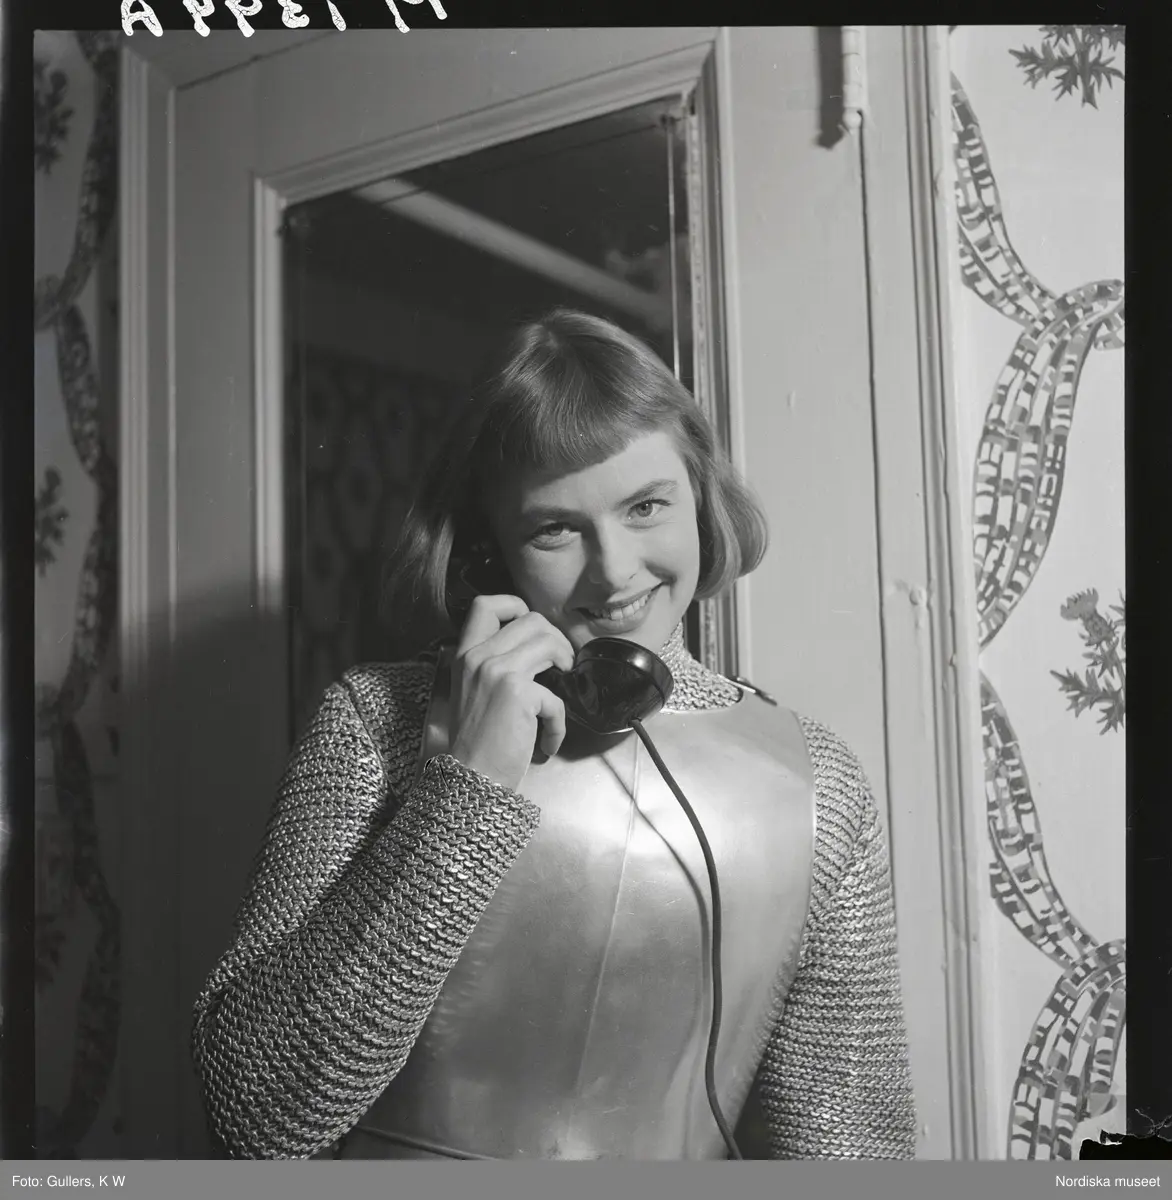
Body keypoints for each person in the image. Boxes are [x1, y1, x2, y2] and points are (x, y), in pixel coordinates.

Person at [191, 308, 917, 1161]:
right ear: (488, 551)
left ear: (702, 498)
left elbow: (851, 1151)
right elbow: (257, 1121)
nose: (614, 570)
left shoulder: (819, 782)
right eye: (555, 528)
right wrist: (463, 789)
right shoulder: (370, 721)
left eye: (646, 506)